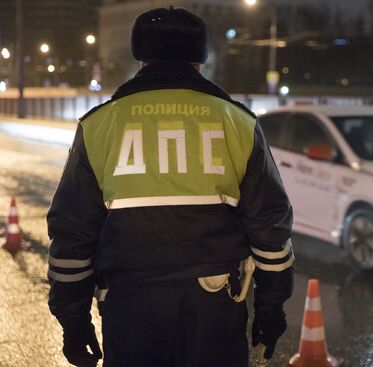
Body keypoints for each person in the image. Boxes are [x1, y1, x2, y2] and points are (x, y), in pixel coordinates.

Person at [47, 7, 294, 367]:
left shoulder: (100, 125)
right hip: (215, 308)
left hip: (129, 309)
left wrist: (73, 320)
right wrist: (271, 311)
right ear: (200, 61)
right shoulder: (236, 122)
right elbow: (270, 229)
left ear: (140, 57)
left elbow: (72, 234)